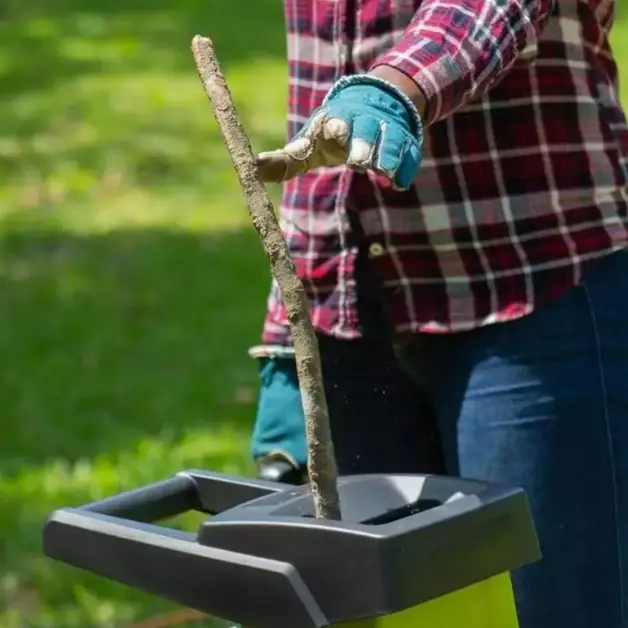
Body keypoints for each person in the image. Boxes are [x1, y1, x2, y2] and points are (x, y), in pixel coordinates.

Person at [249, 1, 628, 626]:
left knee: (555, 607)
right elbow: (317, 89)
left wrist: (395, 88)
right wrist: (288, 333)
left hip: (533, 286)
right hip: (351, 314)